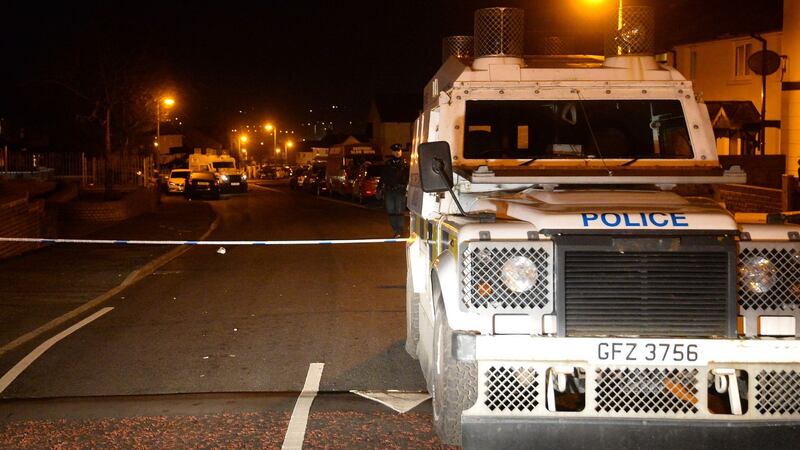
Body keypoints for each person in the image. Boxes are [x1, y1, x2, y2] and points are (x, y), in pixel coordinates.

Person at [378, 143, 409, 238]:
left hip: (400, 191)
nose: (397, 152)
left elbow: (409, 177)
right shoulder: (388, 164)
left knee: (399, 211)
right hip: (389, 191)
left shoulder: (405, 163)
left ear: (401, 152)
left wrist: (407, 187)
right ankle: (395, 229)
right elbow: (383, 177)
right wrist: (379, 187)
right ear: (392, 152)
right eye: (395, 151)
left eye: (399, 151)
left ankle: (399, 231)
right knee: (390, 211)